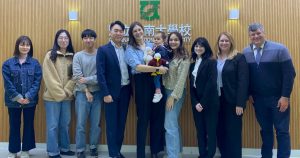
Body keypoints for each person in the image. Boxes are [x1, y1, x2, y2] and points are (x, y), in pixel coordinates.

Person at [243, 23, 296, 158]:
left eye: (258, 33)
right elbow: (245, 76)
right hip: (258, 100)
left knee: (282, 131)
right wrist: (249, 93)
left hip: (278, 99)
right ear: (249, 36)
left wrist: (285, 96)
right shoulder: (245, 52)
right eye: (252, 34)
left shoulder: (280, 49)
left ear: (263, 33)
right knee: (265, 130)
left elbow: (290, 74)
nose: (256, 36)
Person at [125, 21, 168, 158]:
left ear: (143, 30)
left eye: (139, 29)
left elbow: (162, 58)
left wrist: (162, 67)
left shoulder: (151, 44)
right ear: (132, 34)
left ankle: (155, 151)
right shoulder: (130, 49)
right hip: (141, 83)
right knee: (143, 119)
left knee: (157, 117)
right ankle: (141, 154)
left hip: (156, 83)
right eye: (135, 31)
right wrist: (157, 69)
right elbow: (137, 67)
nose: (138, 32)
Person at [2, 36, 42, 158]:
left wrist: (29, 96)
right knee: (14, 125)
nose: (25, 47)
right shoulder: (8, 63)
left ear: (30, 47)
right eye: (22, 44)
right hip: (13, 101)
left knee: (29, 124)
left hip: (30, 101)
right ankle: (13, 150)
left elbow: (37, 81)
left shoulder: (35, 63)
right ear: (17, 46)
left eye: (27, 45)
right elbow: (7, 83)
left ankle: (26, 150)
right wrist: (18, 97)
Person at [97, 20, 131, 158]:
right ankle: (113, 154)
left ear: (124, 33)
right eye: (115, 30)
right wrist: (105, 93)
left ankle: (117, 150)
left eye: (121, 31)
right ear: (110, 32)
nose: (118, 33)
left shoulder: (127, 48)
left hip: (125, 91)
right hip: (110, 93)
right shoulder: (103, 50)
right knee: (111, 125)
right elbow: (100, 73)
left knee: (121, 124)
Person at [43, 29, 76, 158]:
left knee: (65, 124)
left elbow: (75, 76)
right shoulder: (49, 55)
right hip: (51, 97)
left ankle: (64, 148)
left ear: (69, 40)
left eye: (66, 38)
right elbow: (49, 77)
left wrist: (67, 91)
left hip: (67, 97)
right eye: (61, 38)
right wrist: (60, 93)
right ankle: (52, 151)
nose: (63, 40)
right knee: (52, 126)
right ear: (56, 40)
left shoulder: (73, 56)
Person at [215, 32, 249, 158]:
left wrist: (240, 103)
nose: (224, 43)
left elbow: (243, 81)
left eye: (226, 41)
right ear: (218, 43)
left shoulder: (239, 58)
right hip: (217, 99)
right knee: (220, 130)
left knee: (233, 132)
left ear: (231, 43)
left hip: (233, 100)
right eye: (221, 41)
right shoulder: (215, 58)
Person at [73, 29, 101, 158]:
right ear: (83, 40)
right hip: (81, 93)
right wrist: (86, 91)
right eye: (85, 38)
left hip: (98, 93)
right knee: (80, 123)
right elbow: (77, 77)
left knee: (95, 124)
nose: (88, 40)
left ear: (94, 39)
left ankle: (94, 147)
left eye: (91, 38)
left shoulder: (100, 54)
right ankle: (80, 149)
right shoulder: (78, 56)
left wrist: (88, 79)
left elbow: (101, 76)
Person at [189, 37, 219, 158]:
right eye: (196, 46)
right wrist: (196, 102)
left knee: (211, 132)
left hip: (210, 103)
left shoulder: (211, 62)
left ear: (205, 48)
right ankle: (202, 154)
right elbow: (191, 86)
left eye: (201, 46)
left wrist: (202, 103)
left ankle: (210, 155)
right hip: (196, 104)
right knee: (200, 132)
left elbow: (211, 84)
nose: (198, 48)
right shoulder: (192, 65)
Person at [163, 32, 190, 158]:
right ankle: (177, 152)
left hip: (176, 93)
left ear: (180, 41)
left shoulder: (184, 57)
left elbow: (181, 79)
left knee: (169, 125)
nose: (173, 42)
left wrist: (173, 97)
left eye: (176, 40)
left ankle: (172, 155)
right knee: (173, 123)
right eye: (171, 40)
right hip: (166, 90)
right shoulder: (170, 54)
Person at [148, 31, 170, 103]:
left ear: (163, 40)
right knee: (155, 78)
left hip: (162, 66)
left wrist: (154, 54)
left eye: (158, 39)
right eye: (155, 39)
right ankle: (157, 91)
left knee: (156, 78)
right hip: (159, 65)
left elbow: (160, 54)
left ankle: (158, 92)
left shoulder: (161, 48)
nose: (156, 40)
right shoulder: (156, 47)